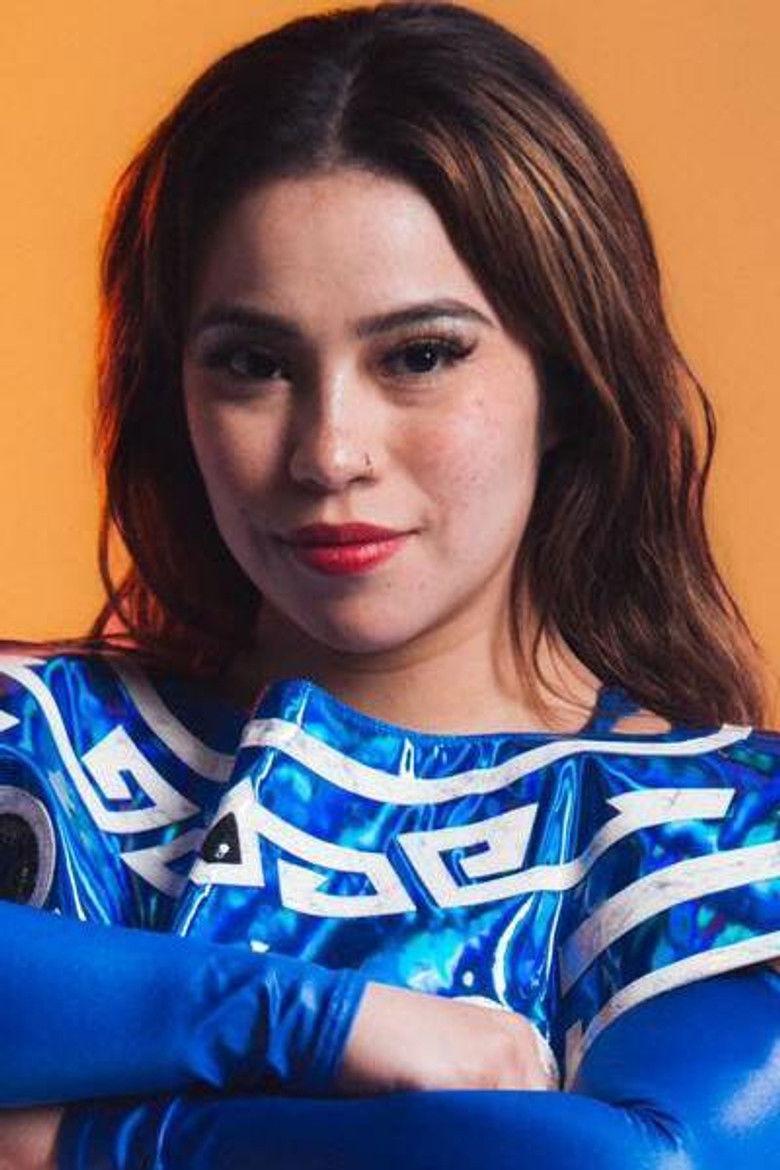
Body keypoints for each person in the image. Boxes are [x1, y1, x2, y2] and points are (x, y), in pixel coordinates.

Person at [1, 1, 779, 1166]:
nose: (330, 452)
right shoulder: (42, 738)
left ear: (568, 380)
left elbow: (622, 1162)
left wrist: (67, 1140)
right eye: (253, 364)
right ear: (176, 393)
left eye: (419, 356)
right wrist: (315, 1023)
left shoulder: (709, 832)